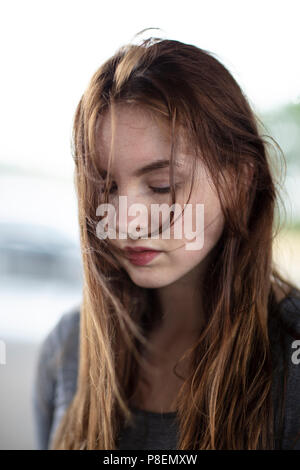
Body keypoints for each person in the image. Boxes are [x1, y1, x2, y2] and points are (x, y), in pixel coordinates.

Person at [32, 30, 300, 450]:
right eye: (105, 186)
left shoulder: (292, 357)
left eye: (161, 186)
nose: (125, 222)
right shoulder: (68, 346)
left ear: (241, 182)